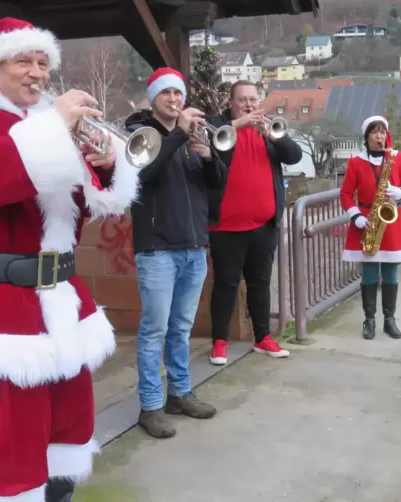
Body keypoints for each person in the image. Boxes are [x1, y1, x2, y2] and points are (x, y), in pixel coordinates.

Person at [0, 17, 140, 501]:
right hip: (1, 314)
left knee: (66, 436)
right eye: (25, 60)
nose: (38, 74)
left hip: (63, 307)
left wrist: (106, 165)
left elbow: (86, 206)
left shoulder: (48, 127)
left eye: (44, 63)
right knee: (16, 456)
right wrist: (52, 128)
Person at [125, 68, 226, 439]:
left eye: (178, 93)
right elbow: (144, 174)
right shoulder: (141, 134)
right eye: (166, 93)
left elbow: (217, 186)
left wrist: (209, 157)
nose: (174, 99)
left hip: (194, 245)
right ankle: (150, 406)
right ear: (153, 98)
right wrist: (180, 133)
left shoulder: (192, 136)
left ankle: (180, 393)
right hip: (156, 249)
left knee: (181, 329)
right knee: (155, 330)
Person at [205, 80, 303, 365]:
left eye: (253, 99)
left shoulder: (269, 129)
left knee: (260, 283)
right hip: (225, 227)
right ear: (231, 102)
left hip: (263, 225)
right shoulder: (219, 126)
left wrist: (275, 138)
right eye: (242, 100)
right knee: (226, 284)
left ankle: (263, 337)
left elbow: (294, 156)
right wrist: (240, 124)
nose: (249, 104)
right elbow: (207, 141)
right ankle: (219, 341)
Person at [339, 116, 401, 340]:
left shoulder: (398, 158)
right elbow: (345, 194)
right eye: (374, 132)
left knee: (391, 271)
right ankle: (369, 320)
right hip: (367, 221)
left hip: (391, 220)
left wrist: (400, 192)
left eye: (382, 132)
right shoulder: (355, 163)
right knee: (370, 272)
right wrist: (356, 217)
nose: (379, 137)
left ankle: (389, 320)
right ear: (367, 137)